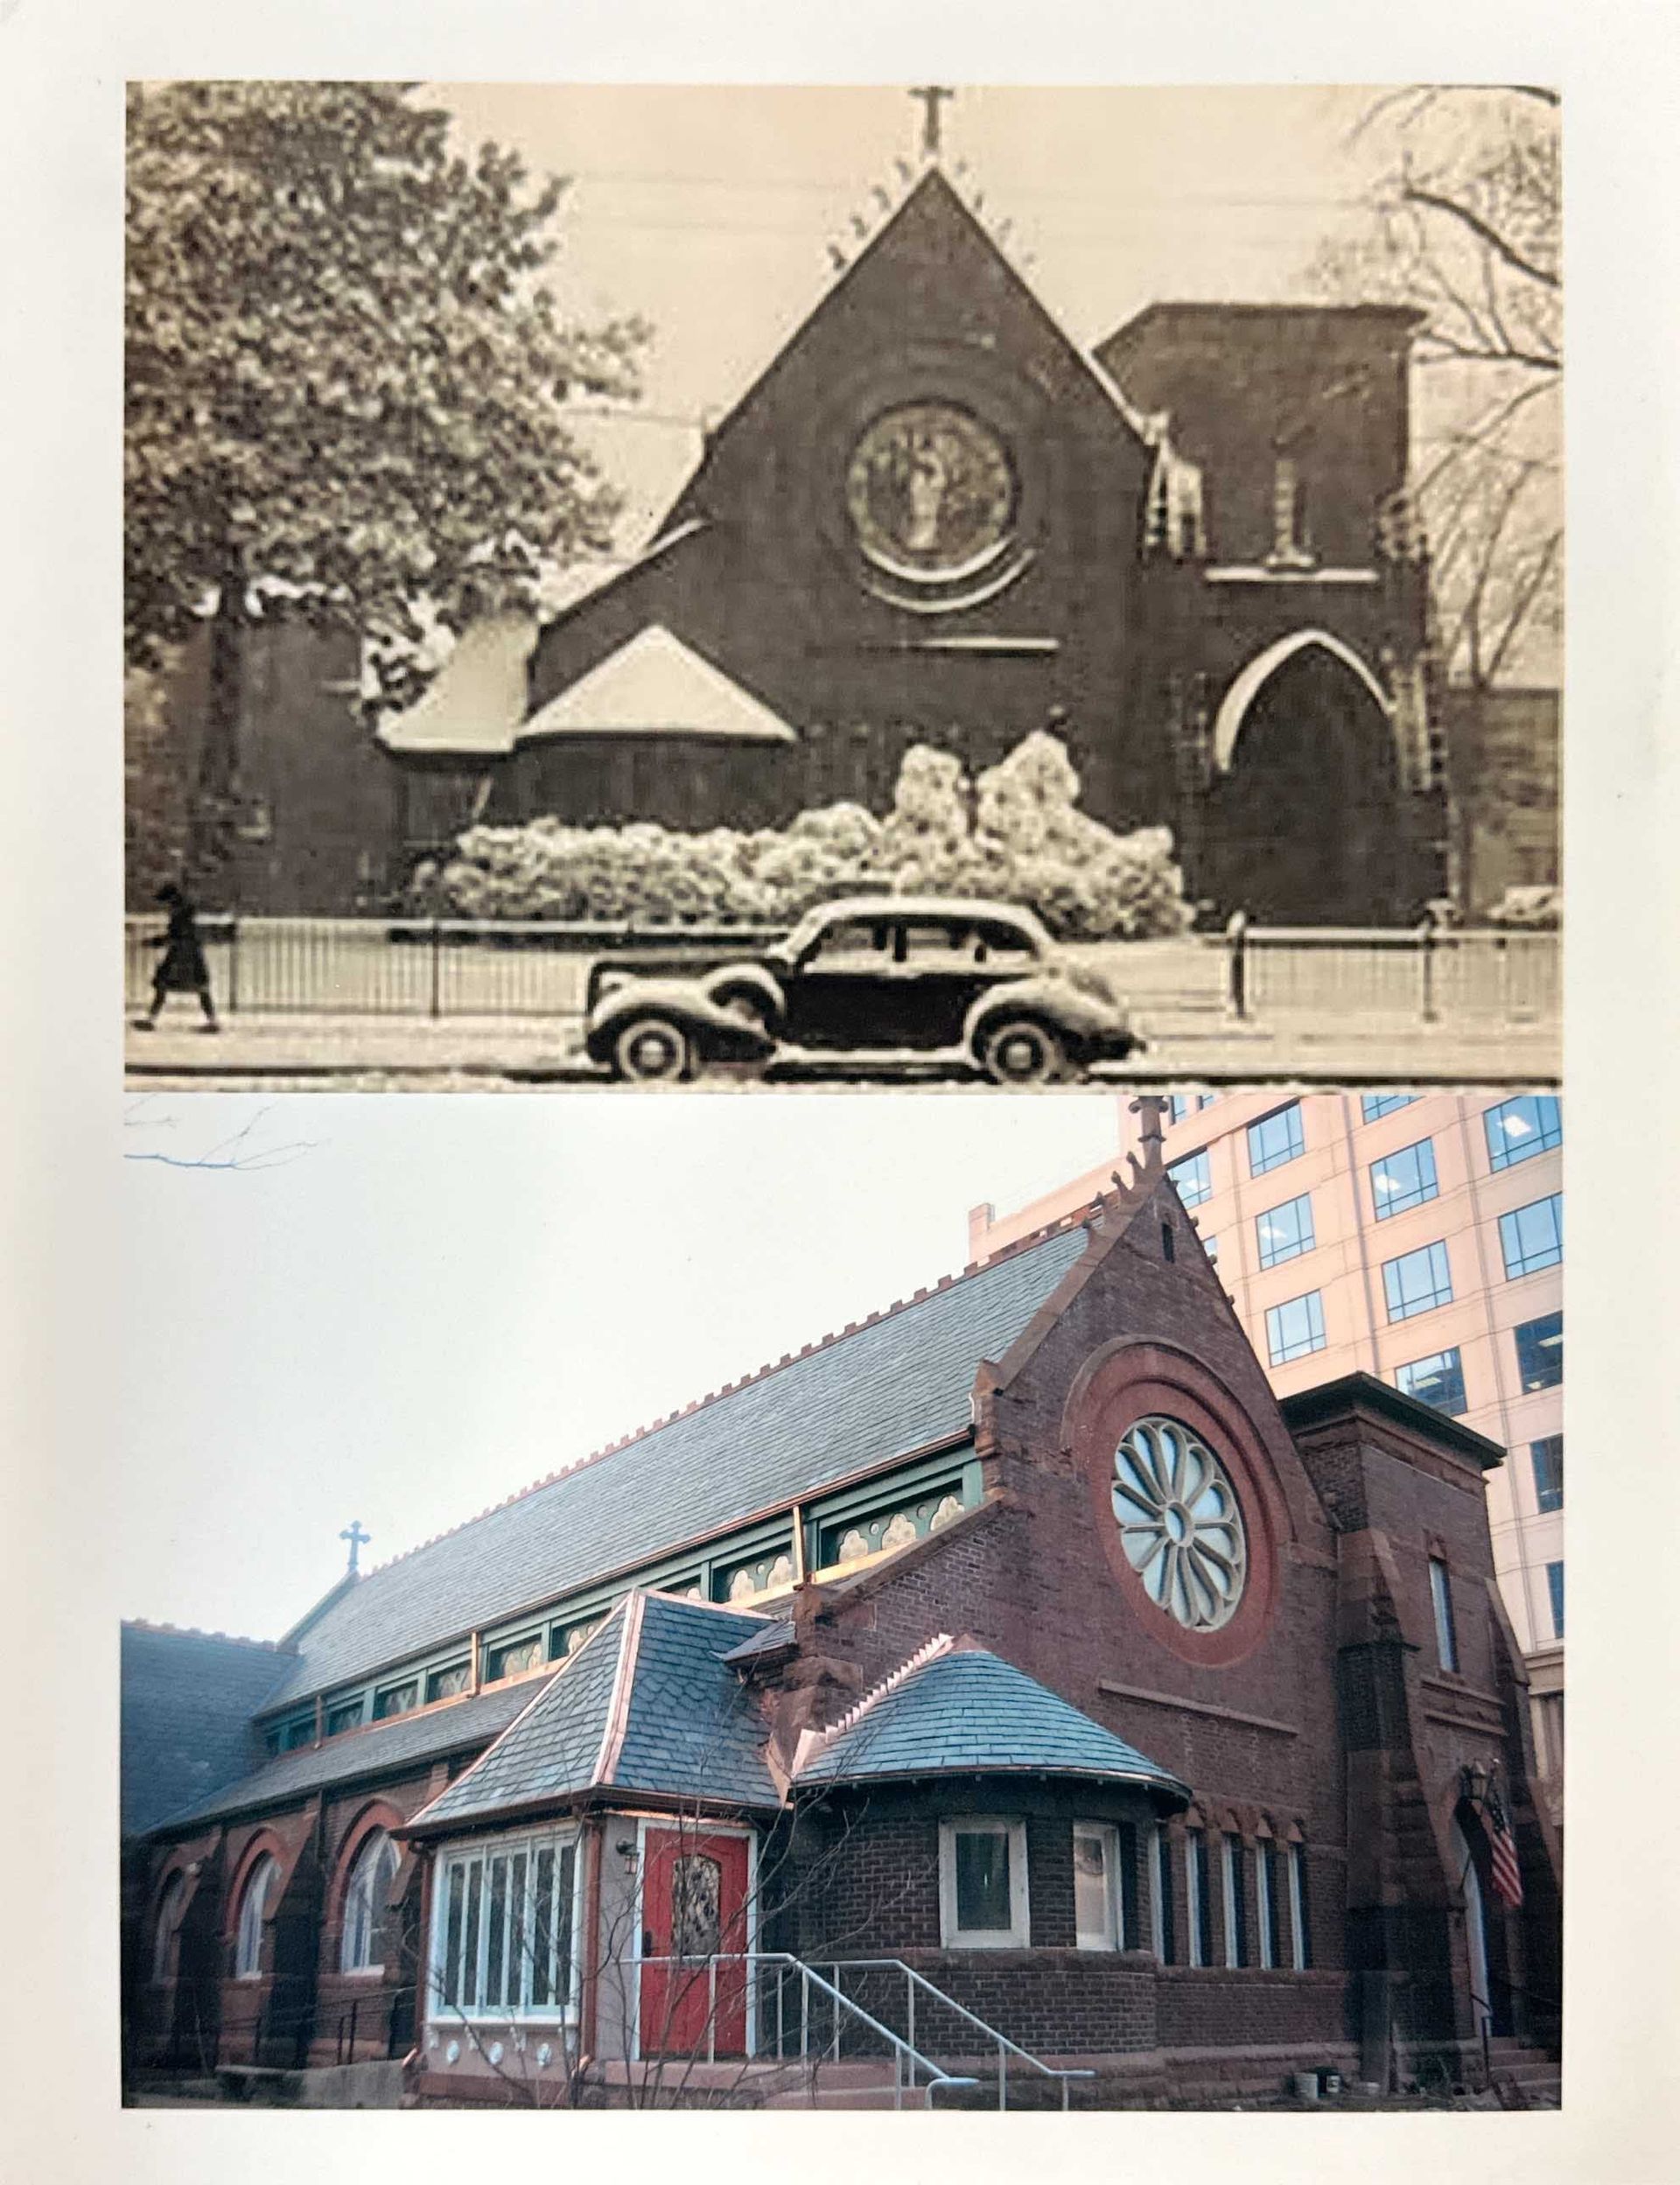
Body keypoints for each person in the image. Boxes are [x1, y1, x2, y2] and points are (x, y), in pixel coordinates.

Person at [134, 883, 220, 1032]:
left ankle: (151, 1019)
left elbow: (173, 937)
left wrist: (154, 942)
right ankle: (212, 1021)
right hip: (191, 954)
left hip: (181, 956)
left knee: (163, 985)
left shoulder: (179, 916)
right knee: (200, 987)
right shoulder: (185, 913)